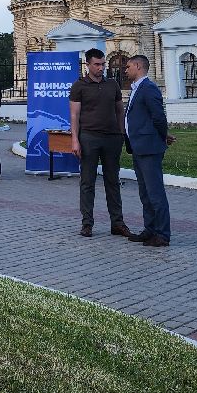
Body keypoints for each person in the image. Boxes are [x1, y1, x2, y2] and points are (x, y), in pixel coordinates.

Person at [70, 48, 133, 239]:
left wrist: (121, 132)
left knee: (112, 181)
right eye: (97, 64)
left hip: (112, 138)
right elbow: (74, 115)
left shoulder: (112, 84)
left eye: (103, 64)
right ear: (88, 65)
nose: (101, 68)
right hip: (89, 138)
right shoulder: (79, 86)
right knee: (87, 182)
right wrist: (75, 140)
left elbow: (120, 110)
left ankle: (117, 223)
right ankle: (87, 223)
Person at [123, 54, 174, 247]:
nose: (125, 70)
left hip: (149, 148)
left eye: (128, 66)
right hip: (138, 147)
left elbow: (158, 117)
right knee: (145, 193)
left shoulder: (149, 88)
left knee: (155, 193)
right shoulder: (136, 88)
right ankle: (150, 229)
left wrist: (162, 136)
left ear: (138, 66)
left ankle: (162, 234)